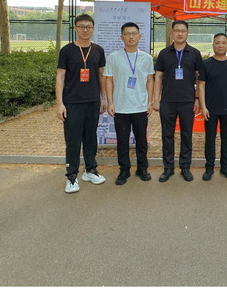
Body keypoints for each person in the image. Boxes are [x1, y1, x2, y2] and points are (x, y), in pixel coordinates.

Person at [56, 14, 107, 194]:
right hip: (72, 102)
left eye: (88, 27)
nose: (85, 30)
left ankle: (90, 170)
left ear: (93, 29)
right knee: (73, 140)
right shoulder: (67, 51)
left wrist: (103, 98)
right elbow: (60, 77)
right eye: (81, 26)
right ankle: (71, 176)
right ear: (75, 28)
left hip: (92, 101)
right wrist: (60, 103)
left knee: (91, 138)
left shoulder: (98, 50)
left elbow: (101, 75)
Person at [104, 22, 154, 186]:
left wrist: (150, 102)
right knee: (122, 141)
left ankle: (142, 168)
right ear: (122, 37)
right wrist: (110, 102)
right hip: (120, 107)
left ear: (139, 36)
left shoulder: (146, 58)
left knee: (141, 141)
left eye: (134, 33)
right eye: (127, 34)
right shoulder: (113, 57)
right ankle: (124, 170)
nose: (131, 37)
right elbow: (108, 80)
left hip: (140, 106)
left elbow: (150, 80)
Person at [153, 20, 203, 183]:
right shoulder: (164, 53)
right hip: (167, 101)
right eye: (177, 30)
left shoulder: (194, 53)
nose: (180, 33)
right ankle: (168, 168)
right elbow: (158, 77)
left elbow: (199, 78)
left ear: (187, 33)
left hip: (188, 101)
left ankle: (185, 167)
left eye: (183, 31)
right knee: (167, 135)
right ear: (172, 33)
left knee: (186, 135)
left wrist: (197, 98)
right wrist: (156, 99)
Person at [198, 33, 227, 181]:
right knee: (210, 139)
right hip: (210, 109)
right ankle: (209, 168)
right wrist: (203, 107)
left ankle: (225, 167)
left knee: (226, 139)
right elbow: (201, 85)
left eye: (223, 43)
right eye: (217, 43)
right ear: (213, 45)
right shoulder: (206, 64)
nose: (220, 45)